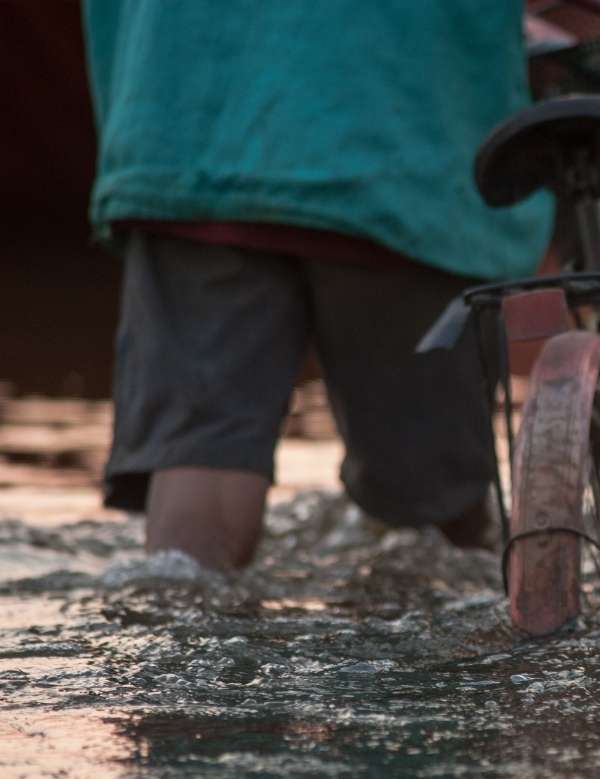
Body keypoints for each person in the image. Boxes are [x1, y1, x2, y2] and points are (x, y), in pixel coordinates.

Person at [84, 2, 553, 569]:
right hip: (402, 145)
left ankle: (183, 631)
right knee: (429, 509)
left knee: (201, 456)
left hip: (184, 127)